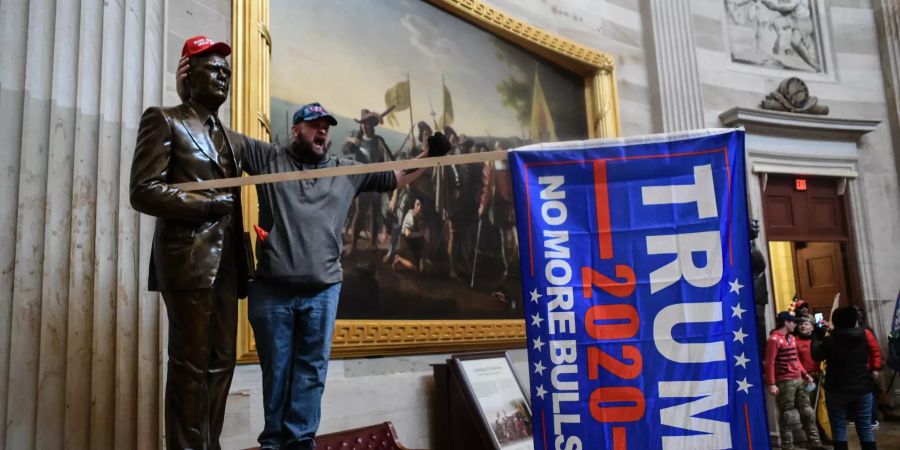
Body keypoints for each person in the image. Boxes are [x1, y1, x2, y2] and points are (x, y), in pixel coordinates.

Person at [131, 35, 250, 450]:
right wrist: (205, 205)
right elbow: (143, 190)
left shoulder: (232, 139)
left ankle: (209, 444)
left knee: (221, 364)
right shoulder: (164, 119)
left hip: (229, 266)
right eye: (212, 69)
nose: (223, 78)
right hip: (189, 263)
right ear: (187, 71)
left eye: (227, 73)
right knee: (189, 366)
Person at [812, 306, 880, 450]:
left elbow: (817, 355)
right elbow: (875, 351)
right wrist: (876, 368)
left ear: (835, 321)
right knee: (865, 427)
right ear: (854, 319)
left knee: (838, 428)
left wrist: (817, 335)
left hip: (837, 389)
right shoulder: (865, 334)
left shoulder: (830, 340)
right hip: (862, 387)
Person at [766, 311, 823, 450]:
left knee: (807, 411)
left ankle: (815, 442)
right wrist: (772, 383)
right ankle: (787, 445)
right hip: (784, 381)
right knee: (786, 414)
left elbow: (796, 359)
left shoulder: (791, 338)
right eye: (793, 322)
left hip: (798, 378)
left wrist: (804, 374)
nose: (796, 324)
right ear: (786, 322)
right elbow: (770, 362)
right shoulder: (774, 339)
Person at [342, 109, 395, 255]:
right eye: (364, 124)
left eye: (369, 124)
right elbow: (345, 150)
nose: (366, 127)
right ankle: (353, 245)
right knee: (359, 213)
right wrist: (351, 141)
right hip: (362, 183)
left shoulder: (379, 141)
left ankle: (372, 244)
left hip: (376, 183)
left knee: (375, 213)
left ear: (373, 125)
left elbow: (389, 158)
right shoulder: (357, 141)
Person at [392, 198, 428, 272]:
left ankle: (419, 261)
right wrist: (420, 234)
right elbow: (408, 234)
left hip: (415, 241)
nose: (420, 207)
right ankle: (398, 259)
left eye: (421, 205)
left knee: (422, 268)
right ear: (414, 205)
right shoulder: (410, 216)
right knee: (415, 268)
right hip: (406, 241)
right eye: (418, 205)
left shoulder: (421, 215)